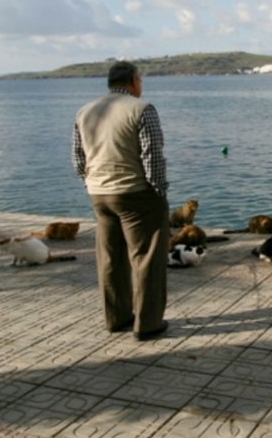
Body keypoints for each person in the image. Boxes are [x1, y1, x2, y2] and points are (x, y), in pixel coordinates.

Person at [72, 61, 170, 341]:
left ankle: (116, 318)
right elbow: (153, 156)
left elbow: (78, 157)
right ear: (133, 81)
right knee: (146, 259)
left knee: (110, 258)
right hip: (137, 193)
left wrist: (91, 182)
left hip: (99, 194)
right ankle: (148, 324)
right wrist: (159, 190)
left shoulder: (85, 111)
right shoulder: (142, 109)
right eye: (141, 79)